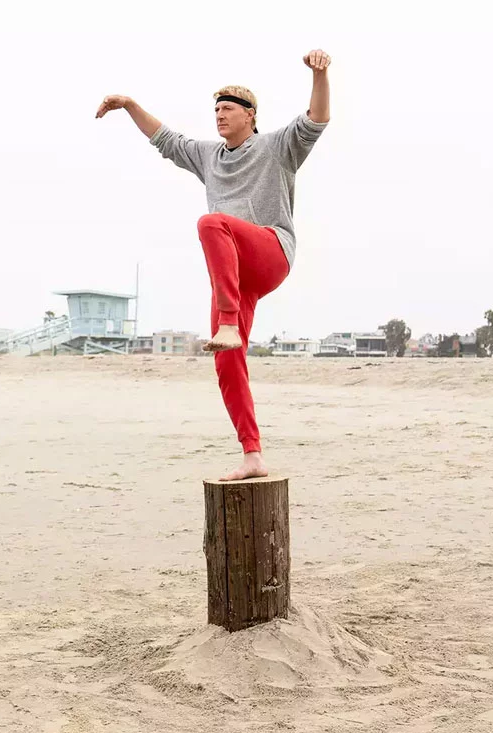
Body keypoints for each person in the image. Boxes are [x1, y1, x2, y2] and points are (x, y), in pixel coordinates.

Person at [96, 50, 331, 481]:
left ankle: (226, 324)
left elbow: (316, 118)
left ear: (250, 115)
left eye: (227, 109)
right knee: (226, 362)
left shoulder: (276, 146)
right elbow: (166, 139)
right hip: (234, 278)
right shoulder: (209, 156)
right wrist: (130, 106)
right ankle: (252, 454)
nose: (219, 116)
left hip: (270, 252)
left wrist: (320, 74)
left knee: (211, 222)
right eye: (216, 110)